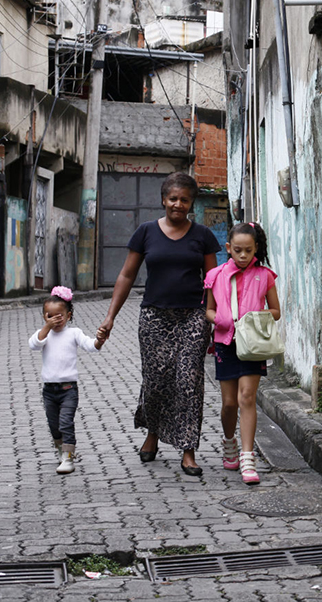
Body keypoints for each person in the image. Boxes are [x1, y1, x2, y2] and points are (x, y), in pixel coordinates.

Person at [98, 172, 221, 476]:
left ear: (191, 203)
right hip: (154, 316)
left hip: (192, 317)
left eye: (184, 200)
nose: (178, 204)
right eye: (173, 198)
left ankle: (188, 449)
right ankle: (152, 433)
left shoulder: (203, 235)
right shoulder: (146, 232)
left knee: (189, 383)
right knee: (156, 380)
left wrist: (215, 321)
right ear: (163, 200)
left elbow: (213, 282)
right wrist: (110, 317)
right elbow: (126, 275)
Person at [204, 222, 280, 484]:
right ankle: (229, 441)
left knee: (247, 397)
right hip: (226, 342)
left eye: (249, 250)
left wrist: (254, 317)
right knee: (229, 403)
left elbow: (276, 311)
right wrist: (221, 319)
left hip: (253, 344)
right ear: (228, 248)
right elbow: (208, 311)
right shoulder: (216, 275)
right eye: (238, 250)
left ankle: (248, 458)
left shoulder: (265, 275)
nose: (244, 255)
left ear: (256, 248)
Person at [28, 286, 105, 474]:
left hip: (69, 389)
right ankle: (62, 451)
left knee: (65, 423)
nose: (55, 319)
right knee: (54, 426)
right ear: (44, 317)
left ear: (68, 315)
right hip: (49, 390)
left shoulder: (73, 333)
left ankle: (68, 458)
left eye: (59, 316)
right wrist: (46, 327)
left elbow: (90, 346)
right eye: (50, 316)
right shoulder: (44, 335)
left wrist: (99, 340)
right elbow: (33, 344)